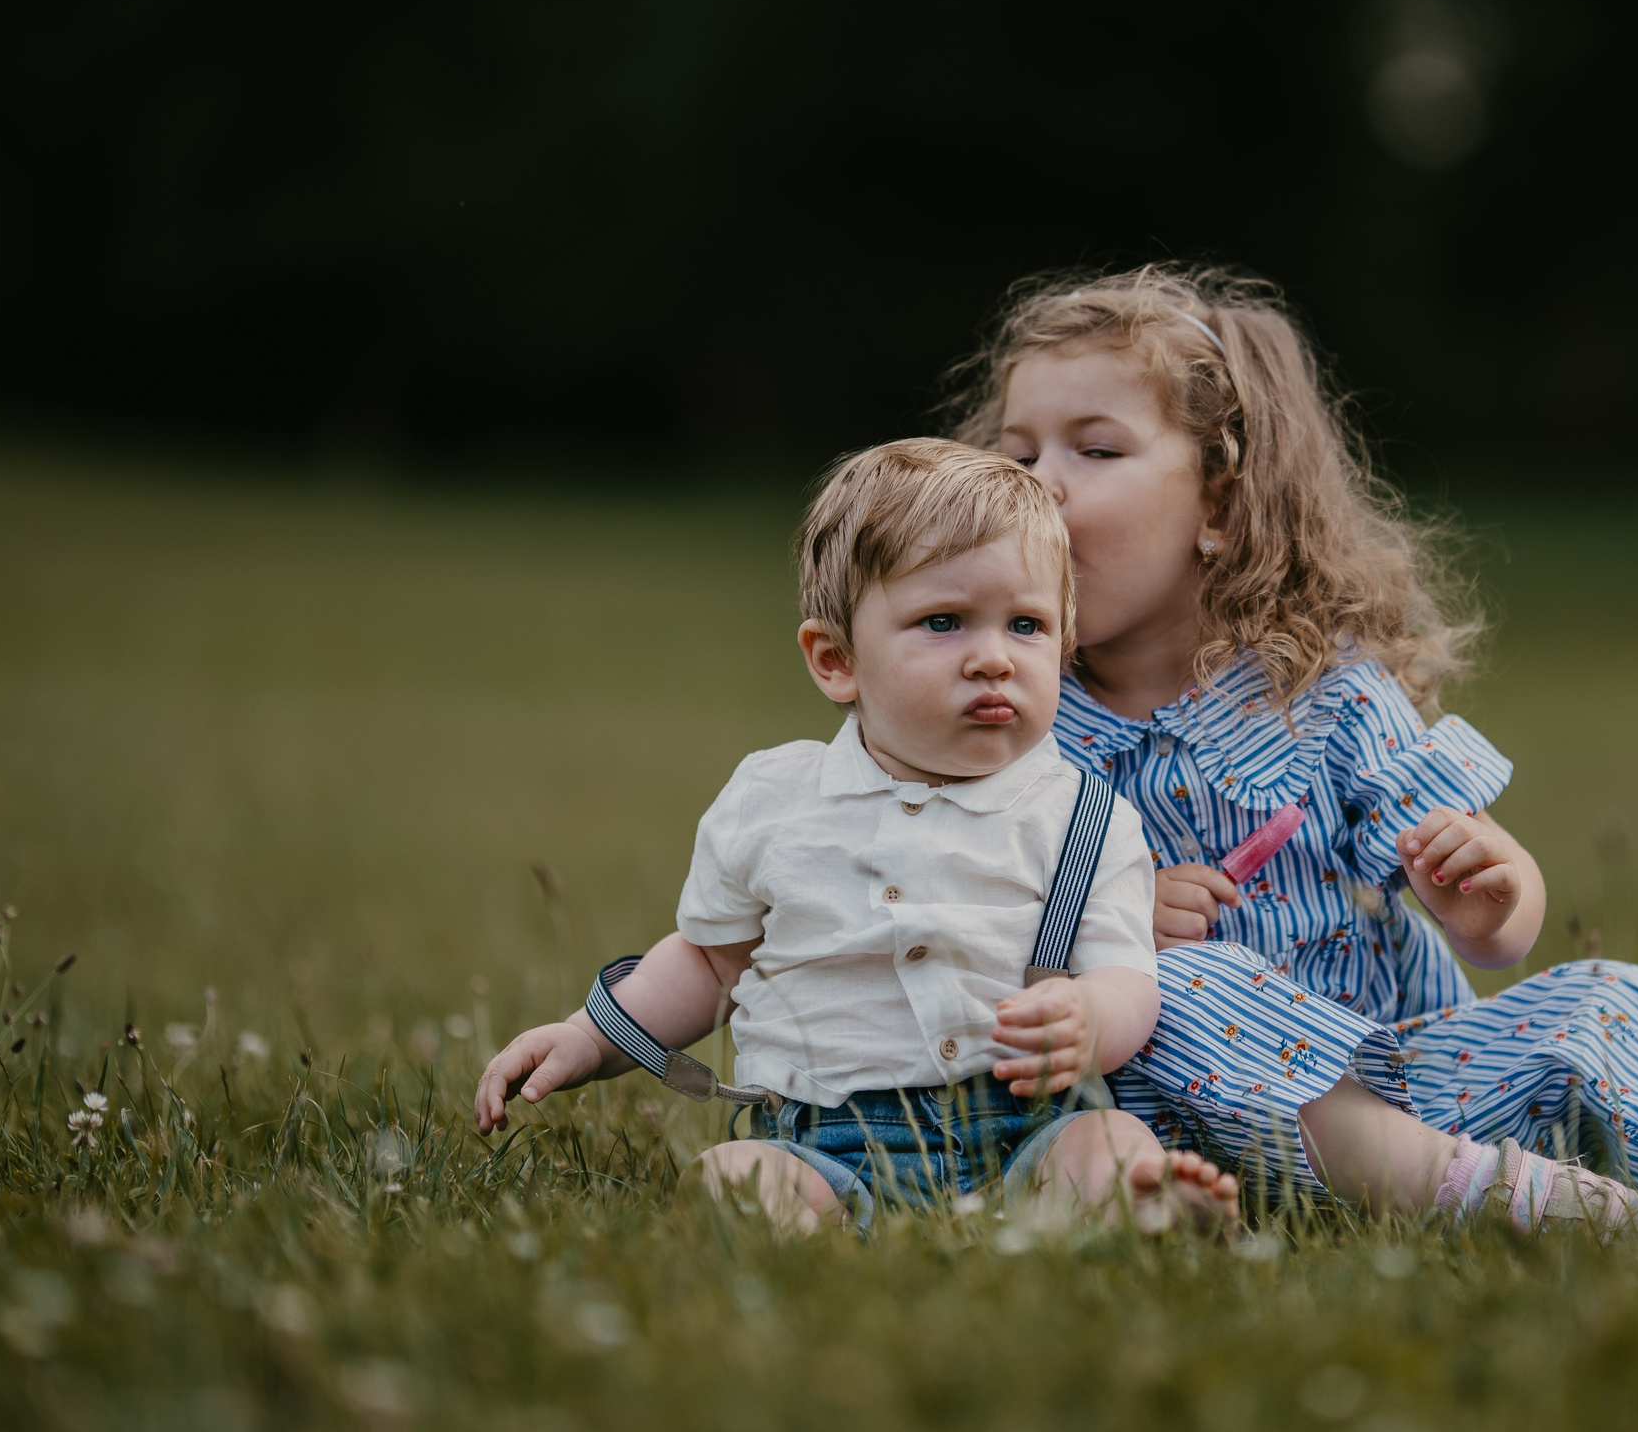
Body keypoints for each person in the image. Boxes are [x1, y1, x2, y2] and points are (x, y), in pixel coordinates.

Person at [948, 266, 1638, 1239]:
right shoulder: (993, 724)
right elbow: (932, 923)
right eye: (1014, 452)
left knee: (1595, 999)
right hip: (1154, 1118)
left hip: (1406, 1067)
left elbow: (1496, 929)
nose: (1035, 481)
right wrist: (1111, 928)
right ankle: (1519, 1200)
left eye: (1093, 449)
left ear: (1221, 510)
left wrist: (1491, 896)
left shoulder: (1317, 695)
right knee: (1189, 984)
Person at [473, 438, 1239, 1233]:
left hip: (1024, 1123)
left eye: (1027, 625)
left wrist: (1088, 1017)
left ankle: (1131, 1204)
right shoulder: (775, 801)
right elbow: (708, 963)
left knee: (1106, 1138)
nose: (992, 658)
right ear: (837, 660)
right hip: (825, 1138)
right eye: (943, 622)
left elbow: (1128, 976)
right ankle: (814, 1222)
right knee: (732, 1179)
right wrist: (591, 1036)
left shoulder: (1086, 817)